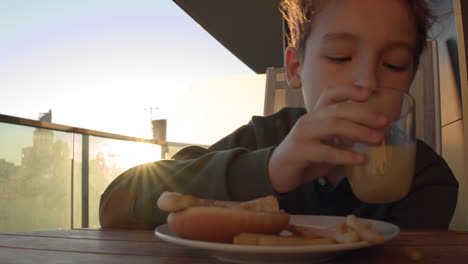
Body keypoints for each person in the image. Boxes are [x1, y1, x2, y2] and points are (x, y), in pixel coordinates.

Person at [99, 0, 458, 230]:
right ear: (296, 68)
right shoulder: (263, 137)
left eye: (393, 64)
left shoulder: (426, 177)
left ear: (410, 76)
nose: (366, 83)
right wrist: (268, 169)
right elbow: (117, 204)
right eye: (340, 57)